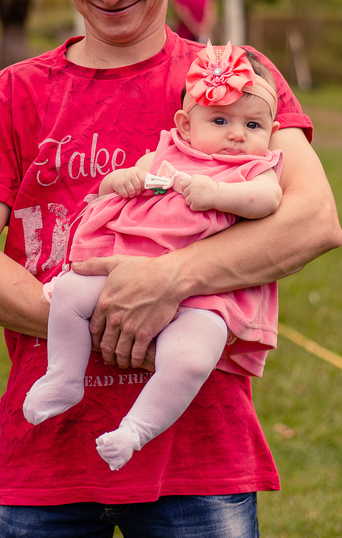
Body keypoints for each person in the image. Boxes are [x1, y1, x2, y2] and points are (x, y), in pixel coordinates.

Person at [0, 0, 342, 538]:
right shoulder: (15, 93)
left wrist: (171, 281)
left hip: (198, 454)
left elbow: (312, 218)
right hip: (48, 453)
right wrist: (103, 318)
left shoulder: (231, 83)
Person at [24, 43, 284, 473]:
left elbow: (268, 201)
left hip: (204, 294)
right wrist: (121, 179)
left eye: (253, 125)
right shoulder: (168, 154)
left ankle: (136, 430)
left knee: (191, 359)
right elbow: (119, 187)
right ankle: (64, 377)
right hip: (124, 264)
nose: (237, 134)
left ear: (270, 132)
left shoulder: (252, 171)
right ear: (185, 123)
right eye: (220, 120)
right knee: (69, 293)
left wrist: (218, 194)